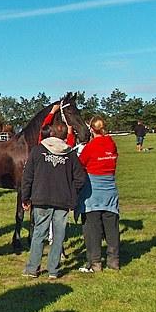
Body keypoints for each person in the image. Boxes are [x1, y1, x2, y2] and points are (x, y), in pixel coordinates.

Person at [21, 122, 86, 279]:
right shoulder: (70, 154)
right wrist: (72, 193)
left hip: (41, 198)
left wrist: (25, 196)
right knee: (58, 236)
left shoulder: (37, 151)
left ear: (50, 133)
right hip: (62, 200)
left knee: (39, 233)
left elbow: (27, 176)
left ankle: (32, 269)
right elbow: (80, 178)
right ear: (65, 135)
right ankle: (53, 270)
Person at [76, 117, 120, 272]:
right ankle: (113, 261)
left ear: (91, 129)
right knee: (112, 228)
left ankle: (95, 262)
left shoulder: (90, 146)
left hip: (92, 192)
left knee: (92, 229)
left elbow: (80, 164)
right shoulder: (111, 144)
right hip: (110, 190)